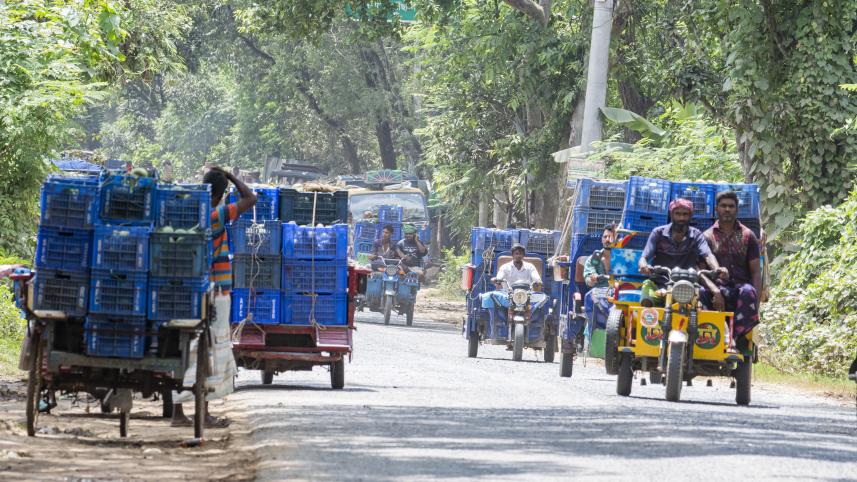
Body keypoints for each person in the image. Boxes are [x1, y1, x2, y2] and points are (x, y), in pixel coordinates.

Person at [171, 166, 257, 428]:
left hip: (188, 290)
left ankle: (177, 412)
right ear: (219, 195)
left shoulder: (189, 214)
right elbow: (250, 198)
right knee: (209, 352)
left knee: (186, 350)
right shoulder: (216, 215)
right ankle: (203, 413)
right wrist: (231, 177)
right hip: (215, 292)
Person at [638, 198, 725, 307]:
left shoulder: (696, 235)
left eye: (685, 214)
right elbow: (644, 256)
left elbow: (708, 255)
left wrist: (716, 269)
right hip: (658, 283)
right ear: (671, 214)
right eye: (677, 214)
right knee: (646, 301)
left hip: (686, 286)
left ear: (690, 216)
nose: (681, 218)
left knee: (697, 307)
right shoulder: (658, 233)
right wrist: (643, 266)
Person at [700, 191, 762, 338]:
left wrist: (756, 302)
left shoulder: (748, 235)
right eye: (723, 206)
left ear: (736, 209)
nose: (727, 209)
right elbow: (701, 271)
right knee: (700, 292)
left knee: (748, 291)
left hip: (740, 289)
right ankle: (706, 337)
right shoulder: (707, 236)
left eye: (731, 206)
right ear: (717, 209)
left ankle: (735, 339)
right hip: (716, 289)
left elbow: (755, 272)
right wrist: (715, 290)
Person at [582, 225, 616, 339]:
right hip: (600, 295)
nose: (607, 240)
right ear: (601, 239)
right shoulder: (593, 259)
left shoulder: (623, 258)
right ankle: (594, 336)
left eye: (610, 237)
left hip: (619, 294)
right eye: (605, 237)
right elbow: (588, 280)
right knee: (590, 298)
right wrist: (593, 279)